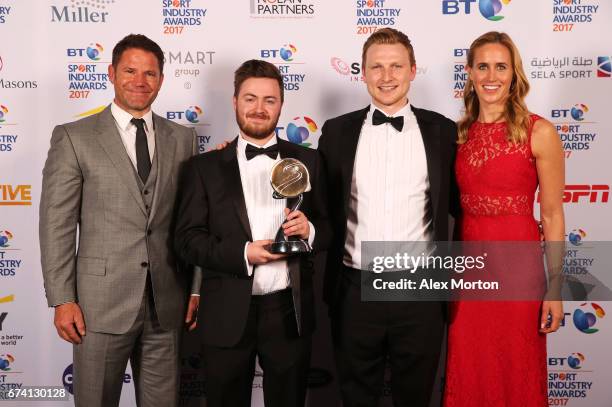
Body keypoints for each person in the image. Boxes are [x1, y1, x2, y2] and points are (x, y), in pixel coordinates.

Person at [39, 34, 201, 407]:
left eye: (150, 73)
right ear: (111, 73)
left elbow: (193, 222)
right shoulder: (74, 137)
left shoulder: (184, 139)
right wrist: (63, 298)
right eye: (130, 71)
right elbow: (56, 225)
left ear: (161, 79)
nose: (139, 81)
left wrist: (194, 288)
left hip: (166, 303)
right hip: (98, 305)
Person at [174, 59, 330, 407]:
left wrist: (312, 231)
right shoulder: (204, 168)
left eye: (269, 100)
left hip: (290, 312)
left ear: (281, 105)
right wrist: (244, 254)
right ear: (234, 102)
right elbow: (187, 240)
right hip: (227, 313)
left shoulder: (310, 161)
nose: (259, 109)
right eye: (250, 98)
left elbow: (332, 229)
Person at [318, 28, 459, 407]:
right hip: (353, 290)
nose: (386, 76)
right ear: (361, 72)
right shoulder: (335, 133)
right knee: (355, 397)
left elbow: (463, 204)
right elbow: (314, 201)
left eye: (396, 66)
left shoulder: (444, 132)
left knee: (415, 397)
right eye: (376, 67)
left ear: (413, 70)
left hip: (420, 293)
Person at [443, 31, 565, 406]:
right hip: (469, 275)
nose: (491, 76)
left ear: (514, 74)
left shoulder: (539, 132)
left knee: (516, 368)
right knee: (469, 369)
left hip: (519, 275)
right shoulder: (457, 134)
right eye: (482, 66)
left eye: (500, 66)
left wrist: (556, 289)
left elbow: (553, 214)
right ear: (470, 72)